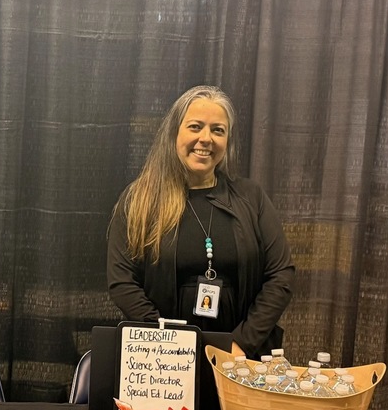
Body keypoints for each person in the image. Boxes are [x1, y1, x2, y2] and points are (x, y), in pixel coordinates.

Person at [107, 85, 294, 359]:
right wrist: (165, 342)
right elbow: (121, 281)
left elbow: (281, 275)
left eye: (218, 130)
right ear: (174, 133)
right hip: (163, 360)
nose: (206, 138)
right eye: (195, 127)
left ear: (227, 141)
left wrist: (242, 345)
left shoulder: (251, 198)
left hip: (240, 358)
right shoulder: (139, 199)